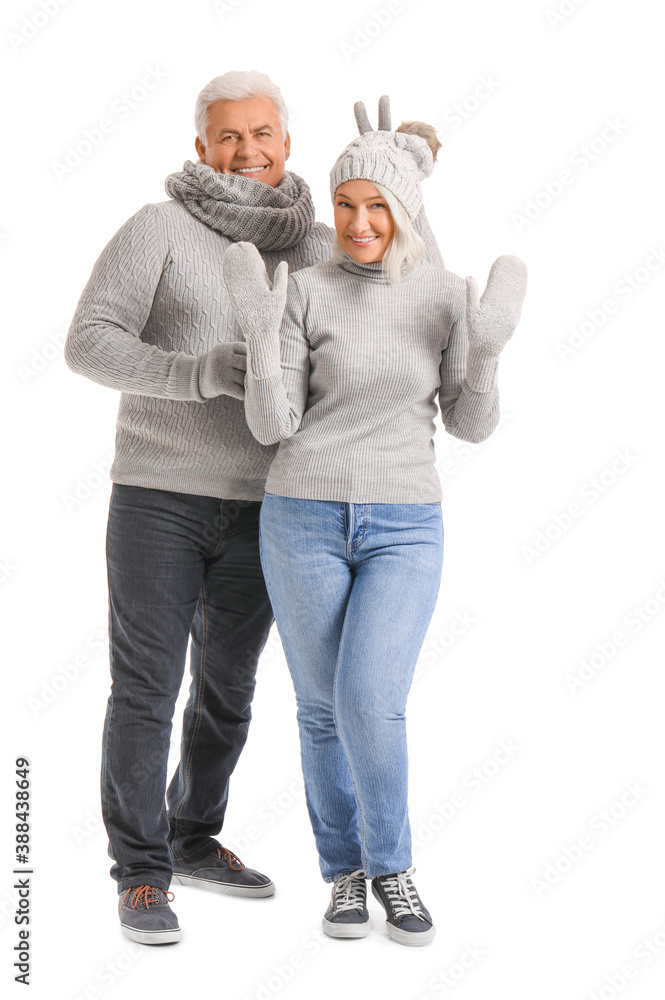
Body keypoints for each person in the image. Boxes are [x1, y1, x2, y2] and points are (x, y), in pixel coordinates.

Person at [64, 72, 442, 945]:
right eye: (228, 137)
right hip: (158, 494)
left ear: (286, 142)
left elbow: (404, 289)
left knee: (228, 690)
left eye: (262, 133)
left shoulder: (317, 242)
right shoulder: (158, 229)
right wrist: (189, 374)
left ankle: (194, 837)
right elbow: (89, 341)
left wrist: (408, 174)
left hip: (274, 505)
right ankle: (141, 873)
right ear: (201, 147)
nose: (247, 151)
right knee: (147, 687)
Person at [221, 107, 527, 947]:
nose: (358, 224)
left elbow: (468, 425)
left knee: (370, 702)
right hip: (301, 516)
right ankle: (345, 875)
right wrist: (260, 334)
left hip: (403, 522)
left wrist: (487, 355)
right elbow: (271, 427)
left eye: (377, 207)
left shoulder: (442, 294)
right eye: (345, 205)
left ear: (403, 210)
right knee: (321, 710)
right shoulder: (306, 290)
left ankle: (393, 867)